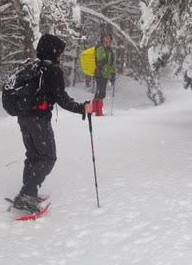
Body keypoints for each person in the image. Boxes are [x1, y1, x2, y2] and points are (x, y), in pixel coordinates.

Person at [12, 33, 92, 212]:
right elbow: (61, 99)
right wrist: (82, 108)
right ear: (53, 51)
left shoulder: (31, 66)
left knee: (33, 155)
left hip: (23, 116)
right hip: (38, 118)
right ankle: (27, 194)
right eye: (59, 52)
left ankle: (28, 192)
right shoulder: (53, 71)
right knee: (48, 157)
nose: (59, 55)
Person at [93, 34, 116, 117]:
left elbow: (111, 64)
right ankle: (98, 112)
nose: (107, 40)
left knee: (100, 92)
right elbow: (101, 62)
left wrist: (112, 73)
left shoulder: (109, 51)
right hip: (100, 73)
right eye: (106, 38)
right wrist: (110, 71)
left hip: (105, 74)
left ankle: (94, 110)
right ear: (102, 39)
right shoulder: (100, 48)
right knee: (100, 92)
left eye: (109, 38)